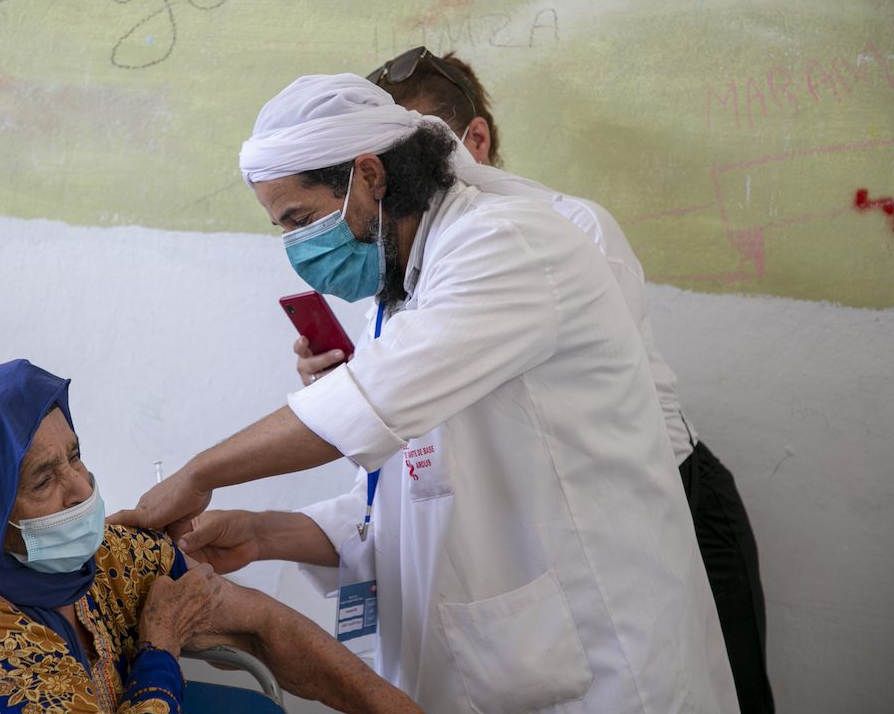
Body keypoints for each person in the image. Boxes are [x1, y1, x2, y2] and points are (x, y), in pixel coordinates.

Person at [112, 74, 739, 712]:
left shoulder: (505, 245)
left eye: (299, 220)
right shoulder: (402, 292)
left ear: (369, 176)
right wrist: (261, 532)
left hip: (600, 654)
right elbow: (399, 501)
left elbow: (361, 408)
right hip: (491, 658)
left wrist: (198, 475)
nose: (296, 248)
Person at [346, 46, 771, 714]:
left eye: (409, 149)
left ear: (473, 139)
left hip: (673, 491)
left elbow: (540, 394)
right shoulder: (423, 254)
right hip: (560, 513)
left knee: (713, 684)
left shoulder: (564, 229)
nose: (393, 180)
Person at [0, 359, 422, 714]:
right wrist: (159, 647)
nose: (81, 490)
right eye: (43, 480)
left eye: (75, 456)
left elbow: (262, 625)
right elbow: (181, 627)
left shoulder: (93, 561)